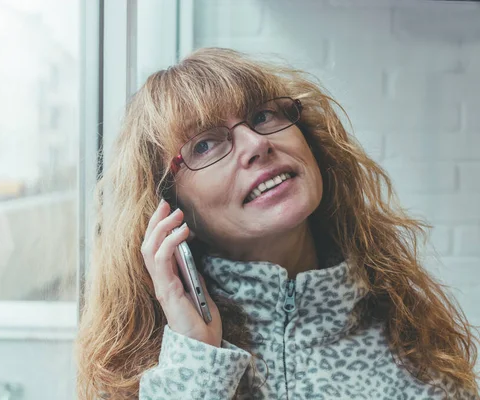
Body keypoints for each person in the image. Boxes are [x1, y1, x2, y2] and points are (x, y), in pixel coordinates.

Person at [76, 48, 479, 399]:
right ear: (168, 207)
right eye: (204, 144)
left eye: (263, 115)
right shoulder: (143, 373)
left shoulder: (415, 345)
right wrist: (195, 357)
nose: (256, 143)